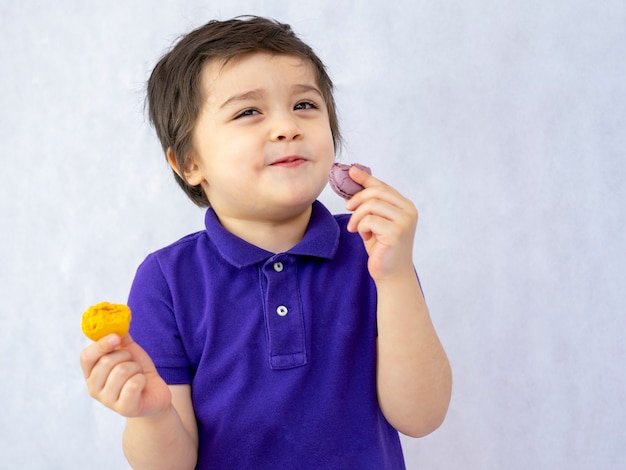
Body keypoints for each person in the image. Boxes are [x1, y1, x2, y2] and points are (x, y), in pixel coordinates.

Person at [80, 16, 452, 469]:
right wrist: (152, 416)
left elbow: (421, 416)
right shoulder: (166, 281)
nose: (286, 126)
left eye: (305, 105)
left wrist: (394, 276)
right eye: (248, 112)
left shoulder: (372, 252)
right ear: (189, 162)